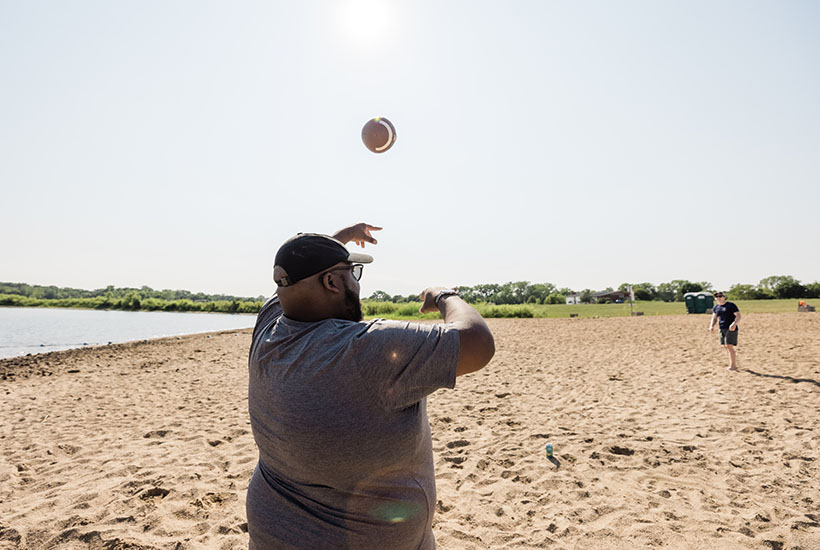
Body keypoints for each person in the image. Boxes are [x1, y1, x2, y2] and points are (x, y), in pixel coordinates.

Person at [246, 222, 495, 549]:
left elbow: (297, 275)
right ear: (332, 282)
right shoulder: (363, 351)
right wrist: (445, 296)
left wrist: (339, 239)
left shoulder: (269, 328)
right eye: (353, 272)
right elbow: (478, 343)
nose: (356, 281)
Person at [708, 291, 742, 371]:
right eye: (717, 297)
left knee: (729, 346)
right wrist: (711, 326)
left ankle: (733, 366)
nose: (719, 298)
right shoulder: (716, 307)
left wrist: (734, 324)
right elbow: (714, 317)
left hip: (730, 328)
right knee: (726, 346)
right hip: (722, 328)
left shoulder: (730, 305)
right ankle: (733, 362)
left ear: (724, 297)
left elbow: (738, 316)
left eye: (720, 296)